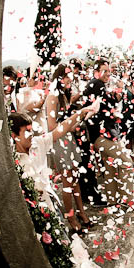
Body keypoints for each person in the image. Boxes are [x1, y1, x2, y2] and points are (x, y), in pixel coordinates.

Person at [9, 106, 95, 225]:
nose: (32, 134)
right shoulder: (12, 159)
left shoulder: (38, 142)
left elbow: (61, 129)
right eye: (27, 131)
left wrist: (80, 113)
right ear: (14, 136)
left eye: (31, 130)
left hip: (49, 203)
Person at [46, 64, 93, 233]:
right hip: (59, 142)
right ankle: (71, 218)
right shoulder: (52, 97)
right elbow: (52, 127)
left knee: (75, 179)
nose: (69, 79)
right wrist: (72, 124)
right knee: (67, 182)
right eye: (66, 76)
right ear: (59, 77)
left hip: (68, 139)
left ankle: (81, 212)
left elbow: (66, 123)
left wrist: (77, 122)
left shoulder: (64, 96)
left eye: (70, 76)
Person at [82, 58, 134, 205]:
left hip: (99, 134)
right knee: (126, 162)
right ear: (96, 72)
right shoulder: (97, 84)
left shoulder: (95, 84)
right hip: (103, 135)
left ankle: (113, 201)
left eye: (109, 71)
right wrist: (119, 91)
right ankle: (127, 200)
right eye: (104, 71)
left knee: (110, 167)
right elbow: (109, 106)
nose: (108, 74)